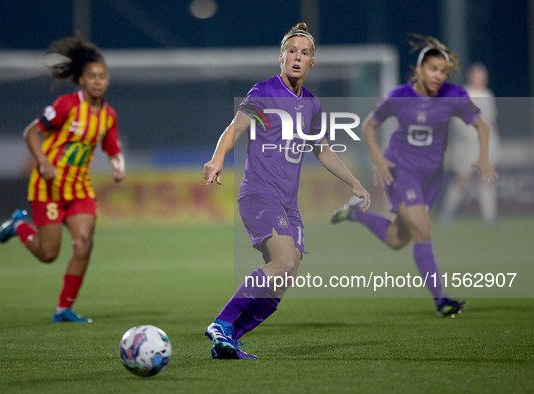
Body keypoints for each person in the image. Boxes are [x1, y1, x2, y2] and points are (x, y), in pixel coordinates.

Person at [202, 23, 370, 359]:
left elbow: (321, 149)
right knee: (282, 261)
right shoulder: (264, 91)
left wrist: (354, 182)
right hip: (258, 193)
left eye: (304, 53)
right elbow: (235, 128)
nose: (297, 56)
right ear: (281, 58)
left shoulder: (312, 105)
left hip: (288, 204)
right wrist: (218, 157)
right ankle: (221, 323)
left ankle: (228, 339)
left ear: (312, 63)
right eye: (292, 51)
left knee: (284, 275)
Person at [331, 35, 498, 317]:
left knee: (398, 239)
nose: (439, 76)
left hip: (431, 177)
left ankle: (356, 214)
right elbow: (369, 126)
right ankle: (441, 300)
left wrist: (482, 156)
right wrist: (377, 158)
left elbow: (482, 126)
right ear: (420, 69)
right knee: (422, 229)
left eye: (443, 71)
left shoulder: (454, 95)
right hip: (400, 171)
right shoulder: (399, 97)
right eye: (433, 69)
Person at [0, 33, 125, 323]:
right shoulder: (67, 105)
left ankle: (63, 309)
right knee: (48, 254)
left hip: (80, 189)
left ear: (107, 81)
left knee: (83, 244)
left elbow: (113, 148)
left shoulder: (108, 115)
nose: (97, 81)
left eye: (102, 76)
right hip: (49, 189)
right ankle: (18, 225)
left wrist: (119, 166)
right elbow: (31, 132)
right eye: (92, 76)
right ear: (81, 80)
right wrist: (42, 162)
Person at [439, 63, 500, 226]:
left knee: (485, 179)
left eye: (482, 76)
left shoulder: (488, 95)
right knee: (462, 179)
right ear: (470, 77)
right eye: (477, 76)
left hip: (485, 146)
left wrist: (494, 142)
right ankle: (446, 215)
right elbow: (458, 121)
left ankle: (490, 217)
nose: (480, 79)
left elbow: (491, 121)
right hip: (467, 146)